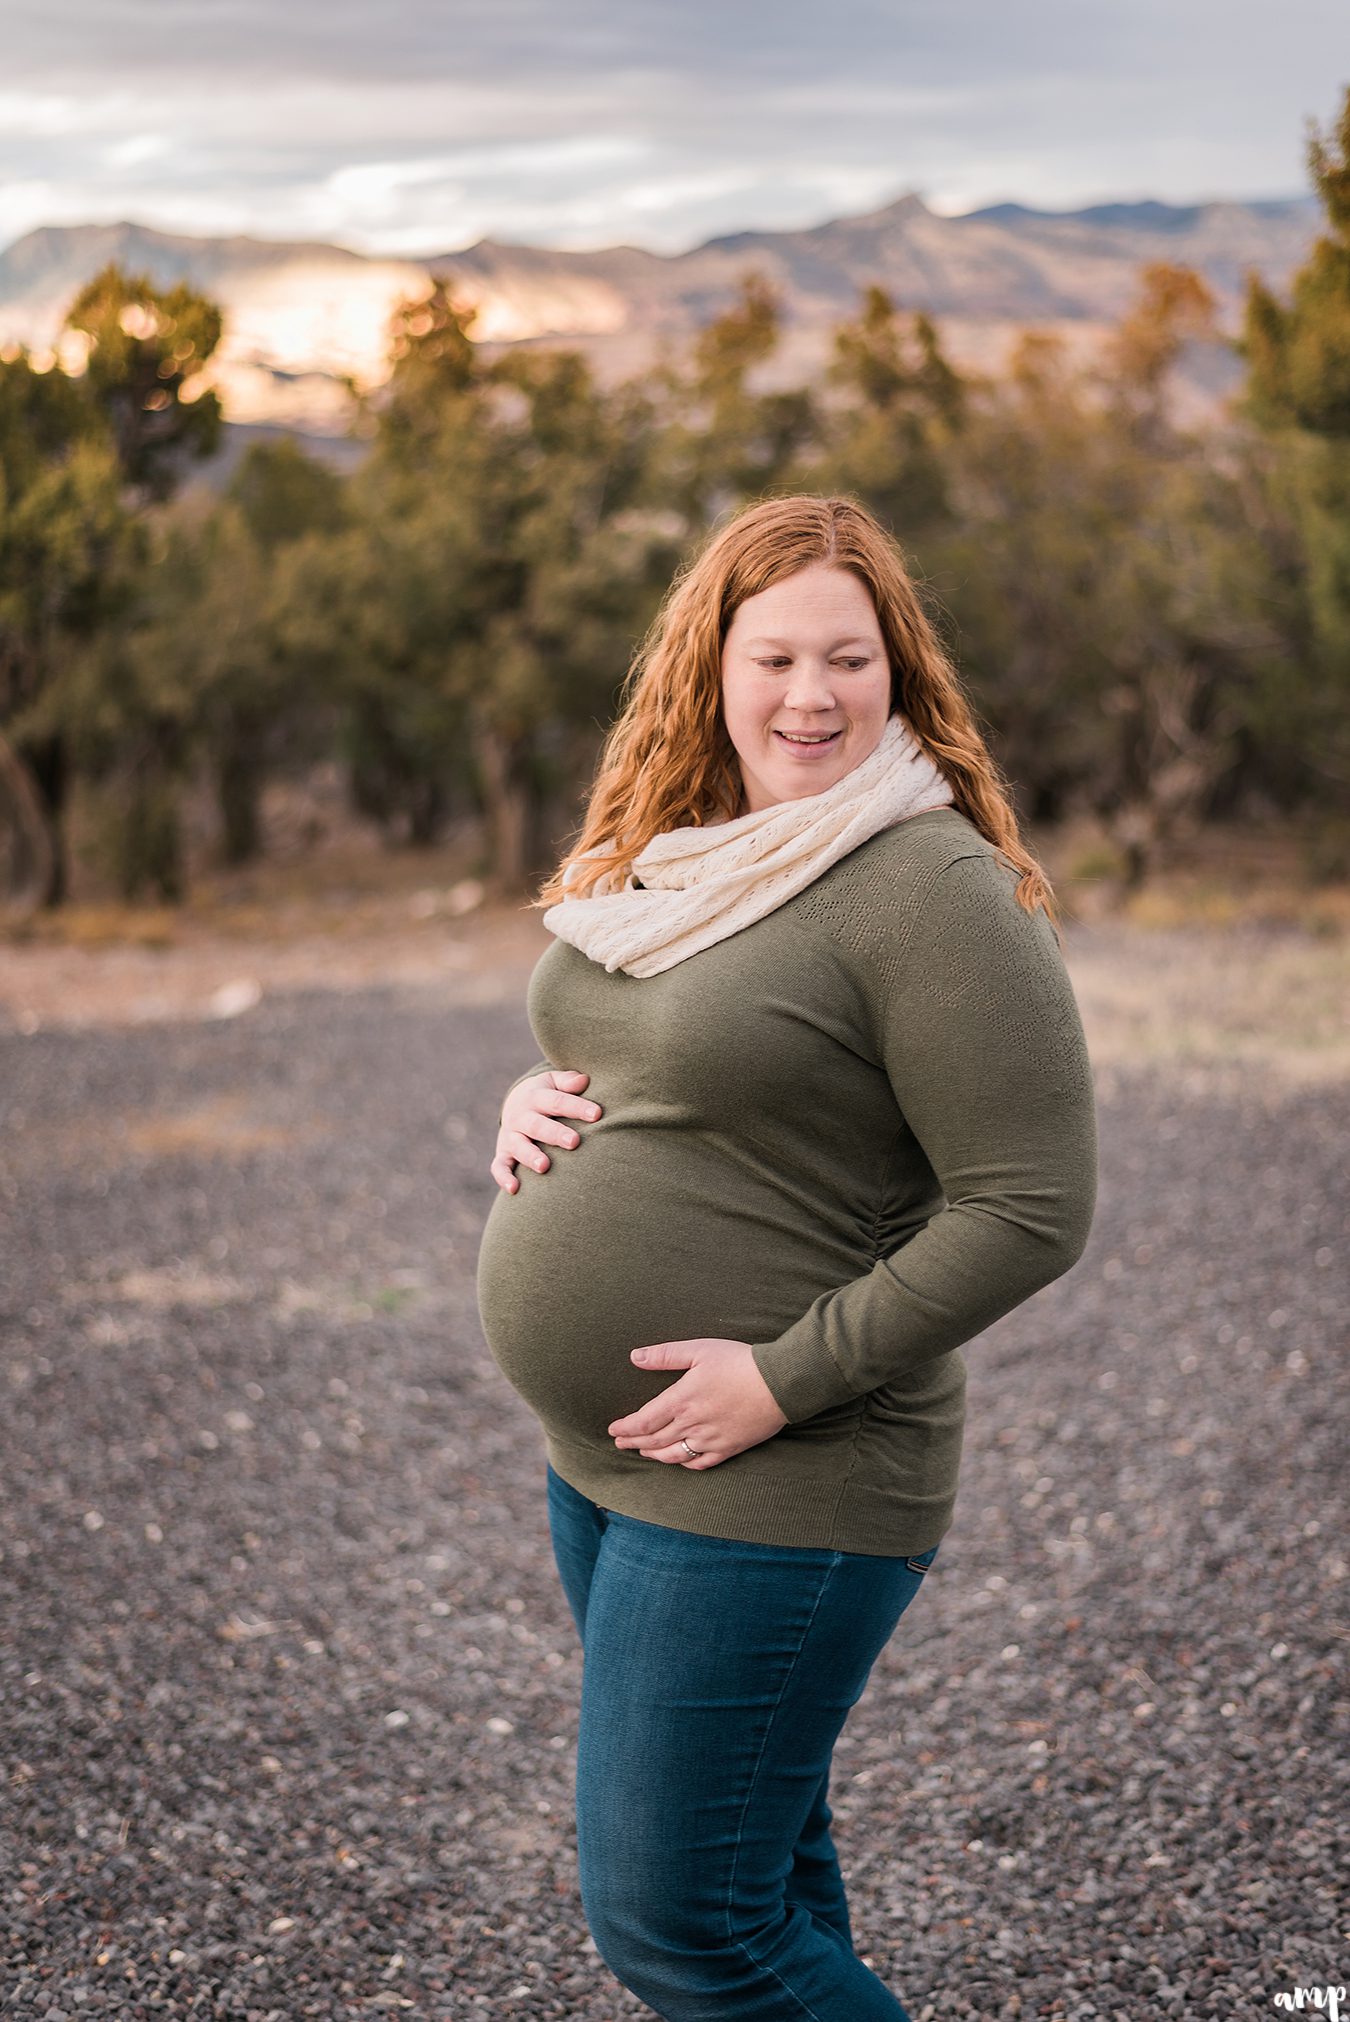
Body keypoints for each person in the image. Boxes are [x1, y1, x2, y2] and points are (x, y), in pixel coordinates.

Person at [475, 493, 1098, 2020]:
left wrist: (779, 1379)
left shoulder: (924, 885)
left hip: (782, 1471)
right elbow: (662, 1044)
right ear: (713, 667)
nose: (809, 697)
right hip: (610, 1457)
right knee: (760, 1877)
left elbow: (1030, 1203)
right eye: (772, 658)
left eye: (848, 659)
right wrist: (532, 1101)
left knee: (685, 1926)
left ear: (901, 676)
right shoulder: (710, 856)